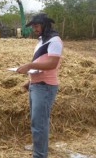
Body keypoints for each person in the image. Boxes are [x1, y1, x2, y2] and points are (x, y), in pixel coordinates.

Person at [16, 12, 63, 158]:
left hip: (45, 86)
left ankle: (39, 154)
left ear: (44, 25)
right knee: (36, 122)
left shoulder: (54, 40)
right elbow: (42, 62)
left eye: (36, 26)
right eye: (33, 26)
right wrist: (30, 80)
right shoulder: (42, 40)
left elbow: (52, 63)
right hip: (37, 85)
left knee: (39, 124)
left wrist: (29, 65)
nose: (34, 29)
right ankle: (39, 147)